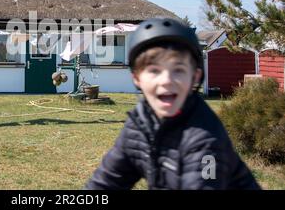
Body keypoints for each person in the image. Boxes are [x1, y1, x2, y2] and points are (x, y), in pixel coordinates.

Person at [84, 17, 260, 190]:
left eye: (178, 70)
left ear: (195, 77)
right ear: (137, 78)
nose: (166, 80)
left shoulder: (206, 141)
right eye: (154, 70)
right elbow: (104, 183)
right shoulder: (140, 124)